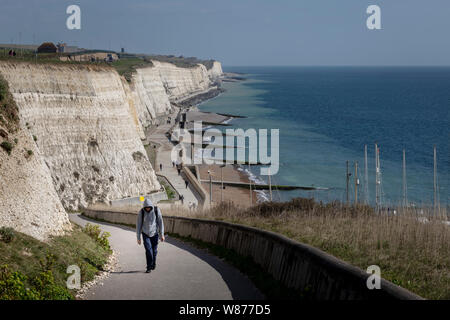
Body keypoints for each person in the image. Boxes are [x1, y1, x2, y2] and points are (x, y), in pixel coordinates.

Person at [136, 198, 165, 273]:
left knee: (154, 251)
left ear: (151, 206)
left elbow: (160, 222)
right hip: (145, 234)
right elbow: (138, 225)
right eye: (146, 207)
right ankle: (149, 267)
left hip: (155, 234)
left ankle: (153, 263)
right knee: (148, 250)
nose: (148, 209)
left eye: (149, 207)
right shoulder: (141, 212)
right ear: (144, 207)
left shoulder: (156, 210)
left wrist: (162, 234)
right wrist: (138, 237)